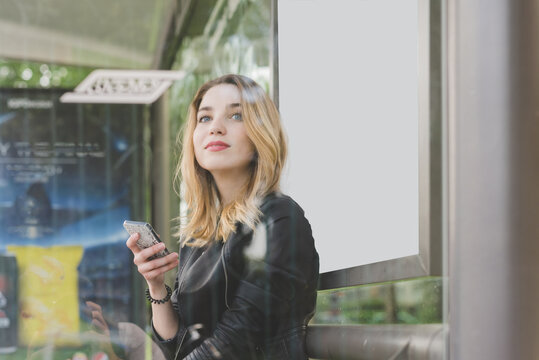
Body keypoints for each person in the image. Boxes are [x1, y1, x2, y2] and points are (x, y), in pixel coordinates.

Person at [126, 74, 319, 359]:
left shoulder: (281, 219)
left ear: (260, 133)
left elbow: (238, 336)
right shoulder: (199, 234)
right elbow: (176, 342)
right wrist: (156, 285)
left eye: (236, 115)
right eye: (205, 118)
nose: (216, 127)